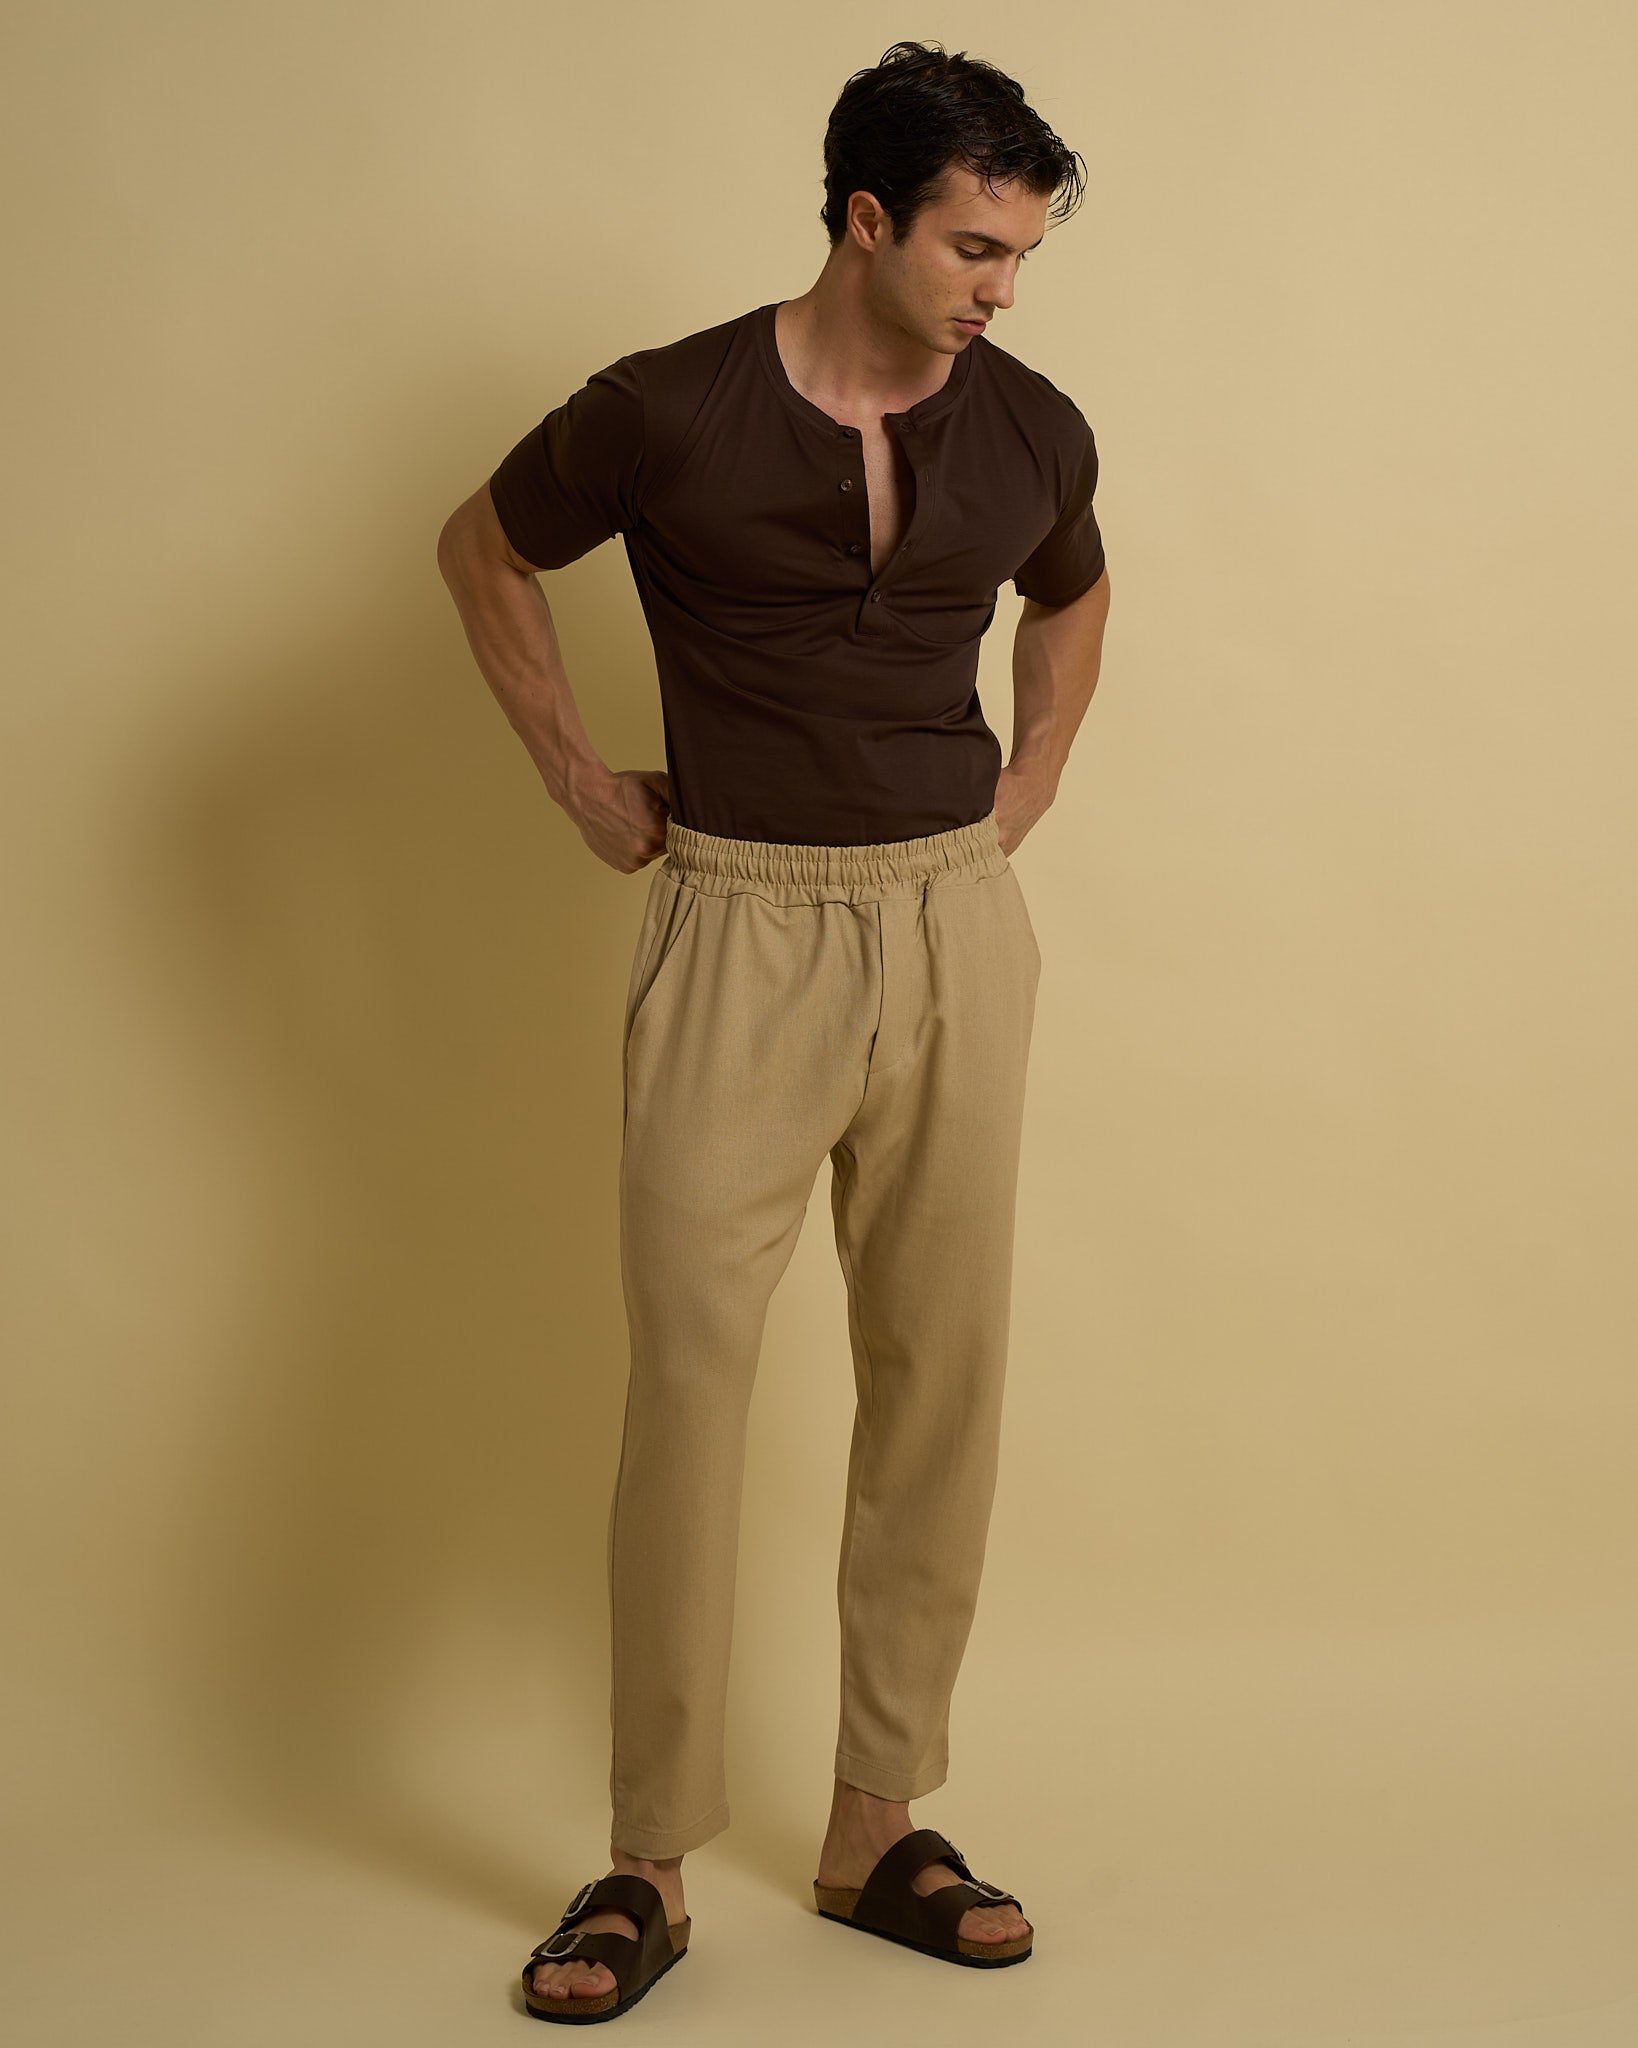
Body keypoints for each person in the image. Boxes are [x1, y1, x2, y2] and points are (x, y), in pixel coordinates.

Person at [437, 37, 1111, 2023]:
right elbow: (481, 546)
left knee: (939, 1376)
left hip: (952, 926)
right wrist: (575, 776)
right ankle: (645, 1861)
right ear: (866, 220)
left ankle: (876, 1821)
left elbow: (1073, 600)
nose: (1003, 288)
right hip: (736, 920)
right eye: (976, 247)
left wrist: (1031, 784)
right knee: (691, 1388)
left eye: (1023, 253)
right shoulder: (666, 407)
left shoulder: (1034, 423)